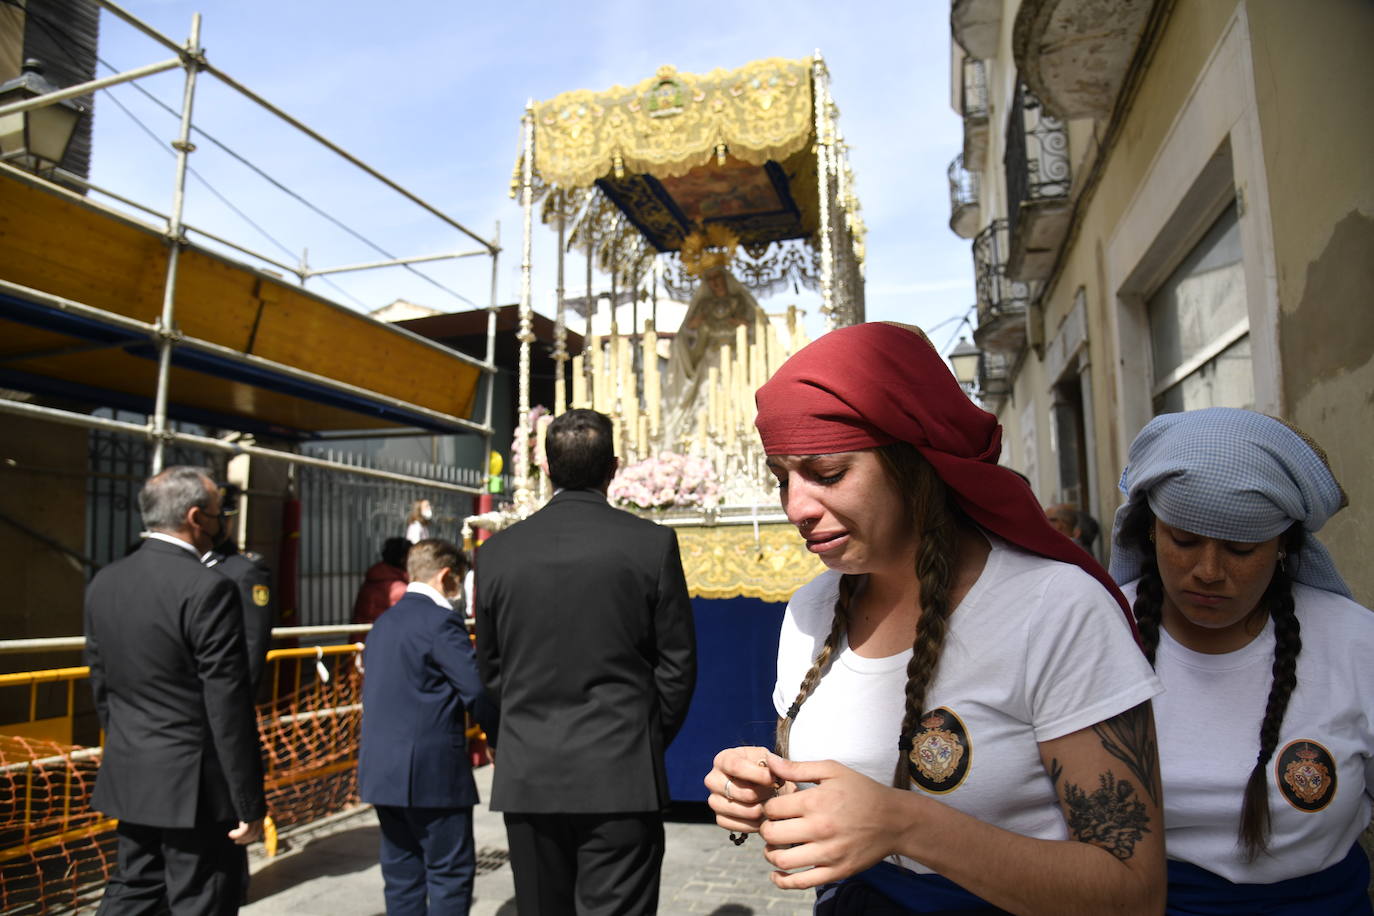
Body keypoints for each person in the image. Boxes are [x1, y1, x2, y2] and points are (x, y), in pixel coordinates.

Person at [705, 322, 1165, 914]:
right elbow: (838, 786)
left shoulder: (1056, 610)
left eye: (828, 474)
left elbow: (1134, 892)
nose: (796, 507)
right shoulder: (811, 610)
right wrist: (762, 787)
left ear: (912, 464)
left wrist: (908, 825)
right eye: (781, 479)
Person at [1110, 407, 1374, 914]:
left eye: (1241, 547)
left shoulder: (1355, 644)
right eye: (1183, 541)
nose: (1208, 571)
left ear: (1283, 547)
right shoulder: (1093, 634)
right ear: (1149, 532)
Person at [474, 408, 697, 914]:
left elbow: (488, 669)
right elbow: (677, 663)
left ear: (546, 469)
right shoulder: (650, 543)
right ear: (613, 468)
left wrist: (514, 735)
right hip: (620, 770)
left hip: (529, 772)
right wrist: (642, 737)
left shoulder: (498, 552)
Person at [85, 466, 265, 915]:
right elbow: (227, 702)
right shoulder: (208, 587)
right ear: (194, 517)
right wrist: (248, 801)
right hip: (196, 789)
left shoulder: (105, 581)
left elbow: (102, 683)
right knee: (203, 898)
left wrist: (130, 744)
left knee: (133, 889)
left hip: (133, 770)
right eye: (217, 513)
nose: (222, 522)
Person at [357, 538, 498, 915]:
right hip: (432, 773)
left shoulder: (384, 623)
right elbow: (475, 690)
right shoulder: (440, 623)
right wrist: (496, 736)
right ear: (447, 576)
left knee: (402, 876)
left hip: (383, 771)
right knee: (449, 874)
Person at [202, 483, 274, 691]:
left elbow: (253, 643)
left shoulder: (245, 571)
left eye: (225, 519)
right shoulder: (182, 562)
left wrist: (239, 701)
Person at [353, 537, 411, 632]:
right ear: (403, 559)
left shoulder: (373, 580)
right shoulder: (399, 590)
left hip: (360, 641)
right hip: (385, 642)